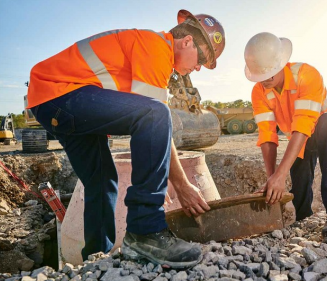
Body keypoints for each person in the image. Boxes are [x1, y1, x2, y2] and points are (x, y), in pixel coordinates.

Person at [26, 9, 225, 268]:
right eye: (202, 59)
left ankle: (97, 261)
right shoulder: (156, 47)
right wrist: (180, 185)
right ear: (187, 41)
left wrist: (158, 178)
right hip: (61, 93)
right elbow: (154, 119)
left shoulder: (149, 47)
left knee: (102, 181)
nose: (198, 68)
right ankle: (146, 230)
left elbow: (151, 129)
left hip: (53, 101)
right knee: (155, 113)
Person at [244, 32, 327, 243]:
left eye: (270, 73)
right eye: (260, 76)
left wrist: (279, 174)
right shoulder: (259, 92)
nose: (265, 80)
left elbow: (304, 125)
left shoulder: (307, 75)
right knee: (299, 181)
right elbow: (267, 136)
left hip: (325, 130)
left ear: (281, 63)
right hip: (299, 137)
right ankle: (302, 218)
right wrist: (273, 178)